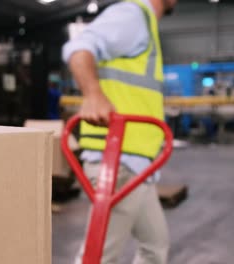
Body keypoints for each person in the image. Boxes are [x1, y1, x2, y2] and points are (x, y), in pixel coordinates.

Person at [62, 0, 178, 263]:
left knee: (155, 246)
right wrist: (93, 95)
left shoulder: (145, 24)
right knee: (98, 256)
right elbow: (78, 49)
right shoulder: (133, 15)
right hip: (117, 162)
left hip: (138, 166)